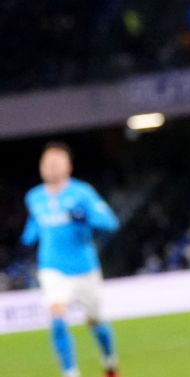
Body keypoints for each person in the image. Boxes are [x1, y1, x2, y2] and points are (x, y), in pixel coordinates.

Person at [21, 142, 121, 377]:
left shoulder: (82, 193)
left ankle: (110, 362)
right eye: (47, 163)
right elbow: (34, 226)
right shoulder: (34, 197)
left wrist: (84, 218)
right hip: (52, 267)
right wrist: (27, 237)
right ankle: (70, 373)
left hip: (85, 268)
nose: (51, 167)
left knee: (96, 322)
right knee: (57, 317)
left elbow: (110, 223)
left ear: (68, 166)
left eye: (57, 163)